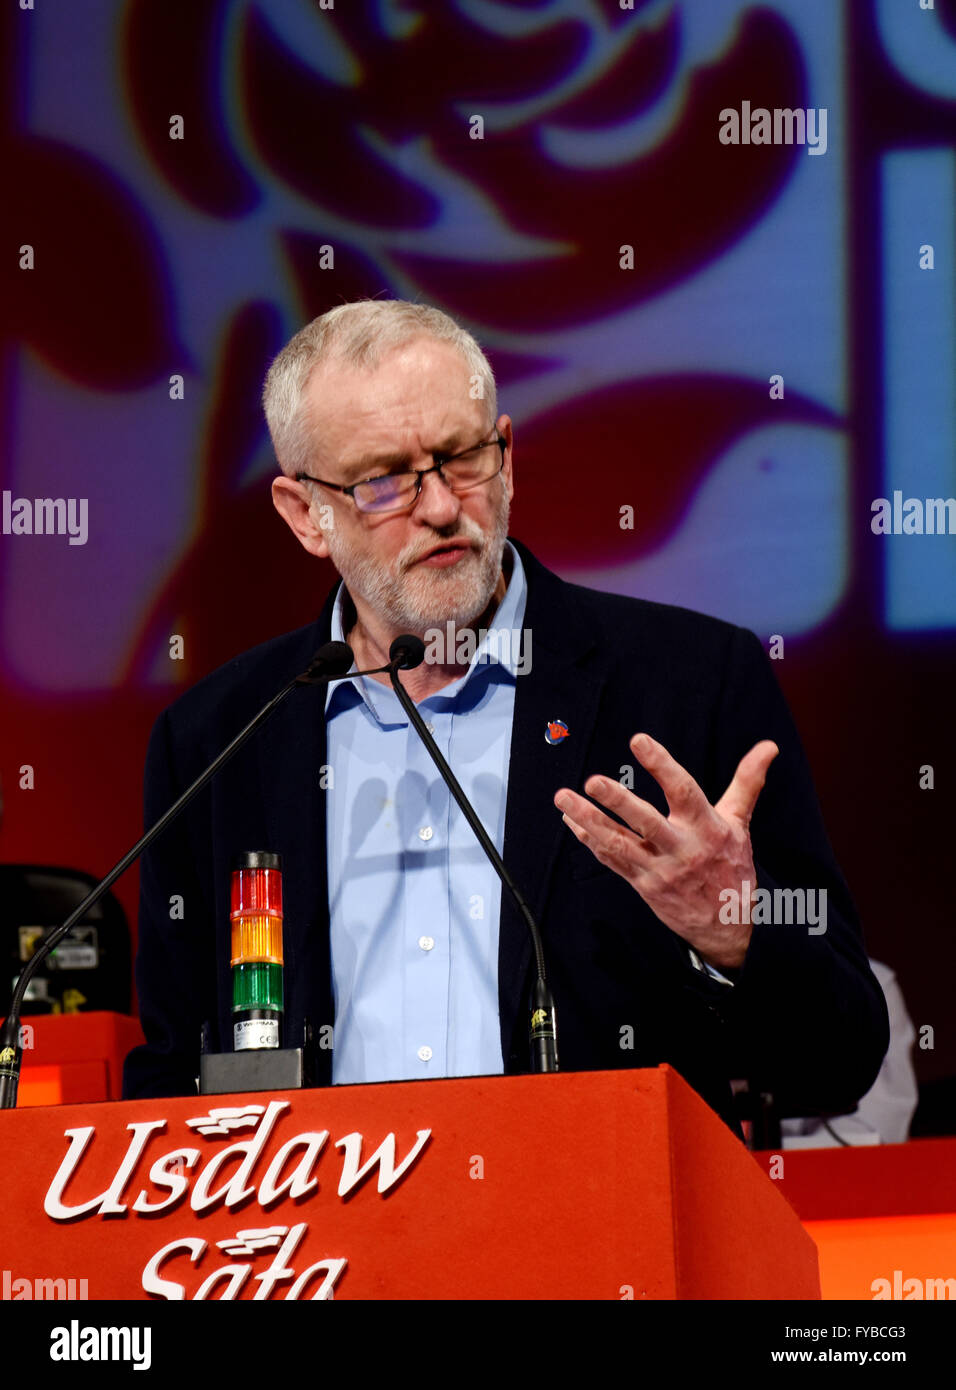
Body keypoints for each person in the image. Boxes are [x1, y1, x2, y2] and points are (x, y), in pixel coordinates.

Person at [123, 299, 889, 1136]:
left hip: (603, 1251)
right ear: (307, 515)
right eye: (383, 481)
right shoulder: (218, 741)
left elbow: (842, 1060)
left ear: (509, 457)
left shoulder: (690, 685)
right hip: (321, 1261)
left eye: (462, 458)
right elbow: (172, 1083)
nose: (444, 508)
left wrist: (735, 934)